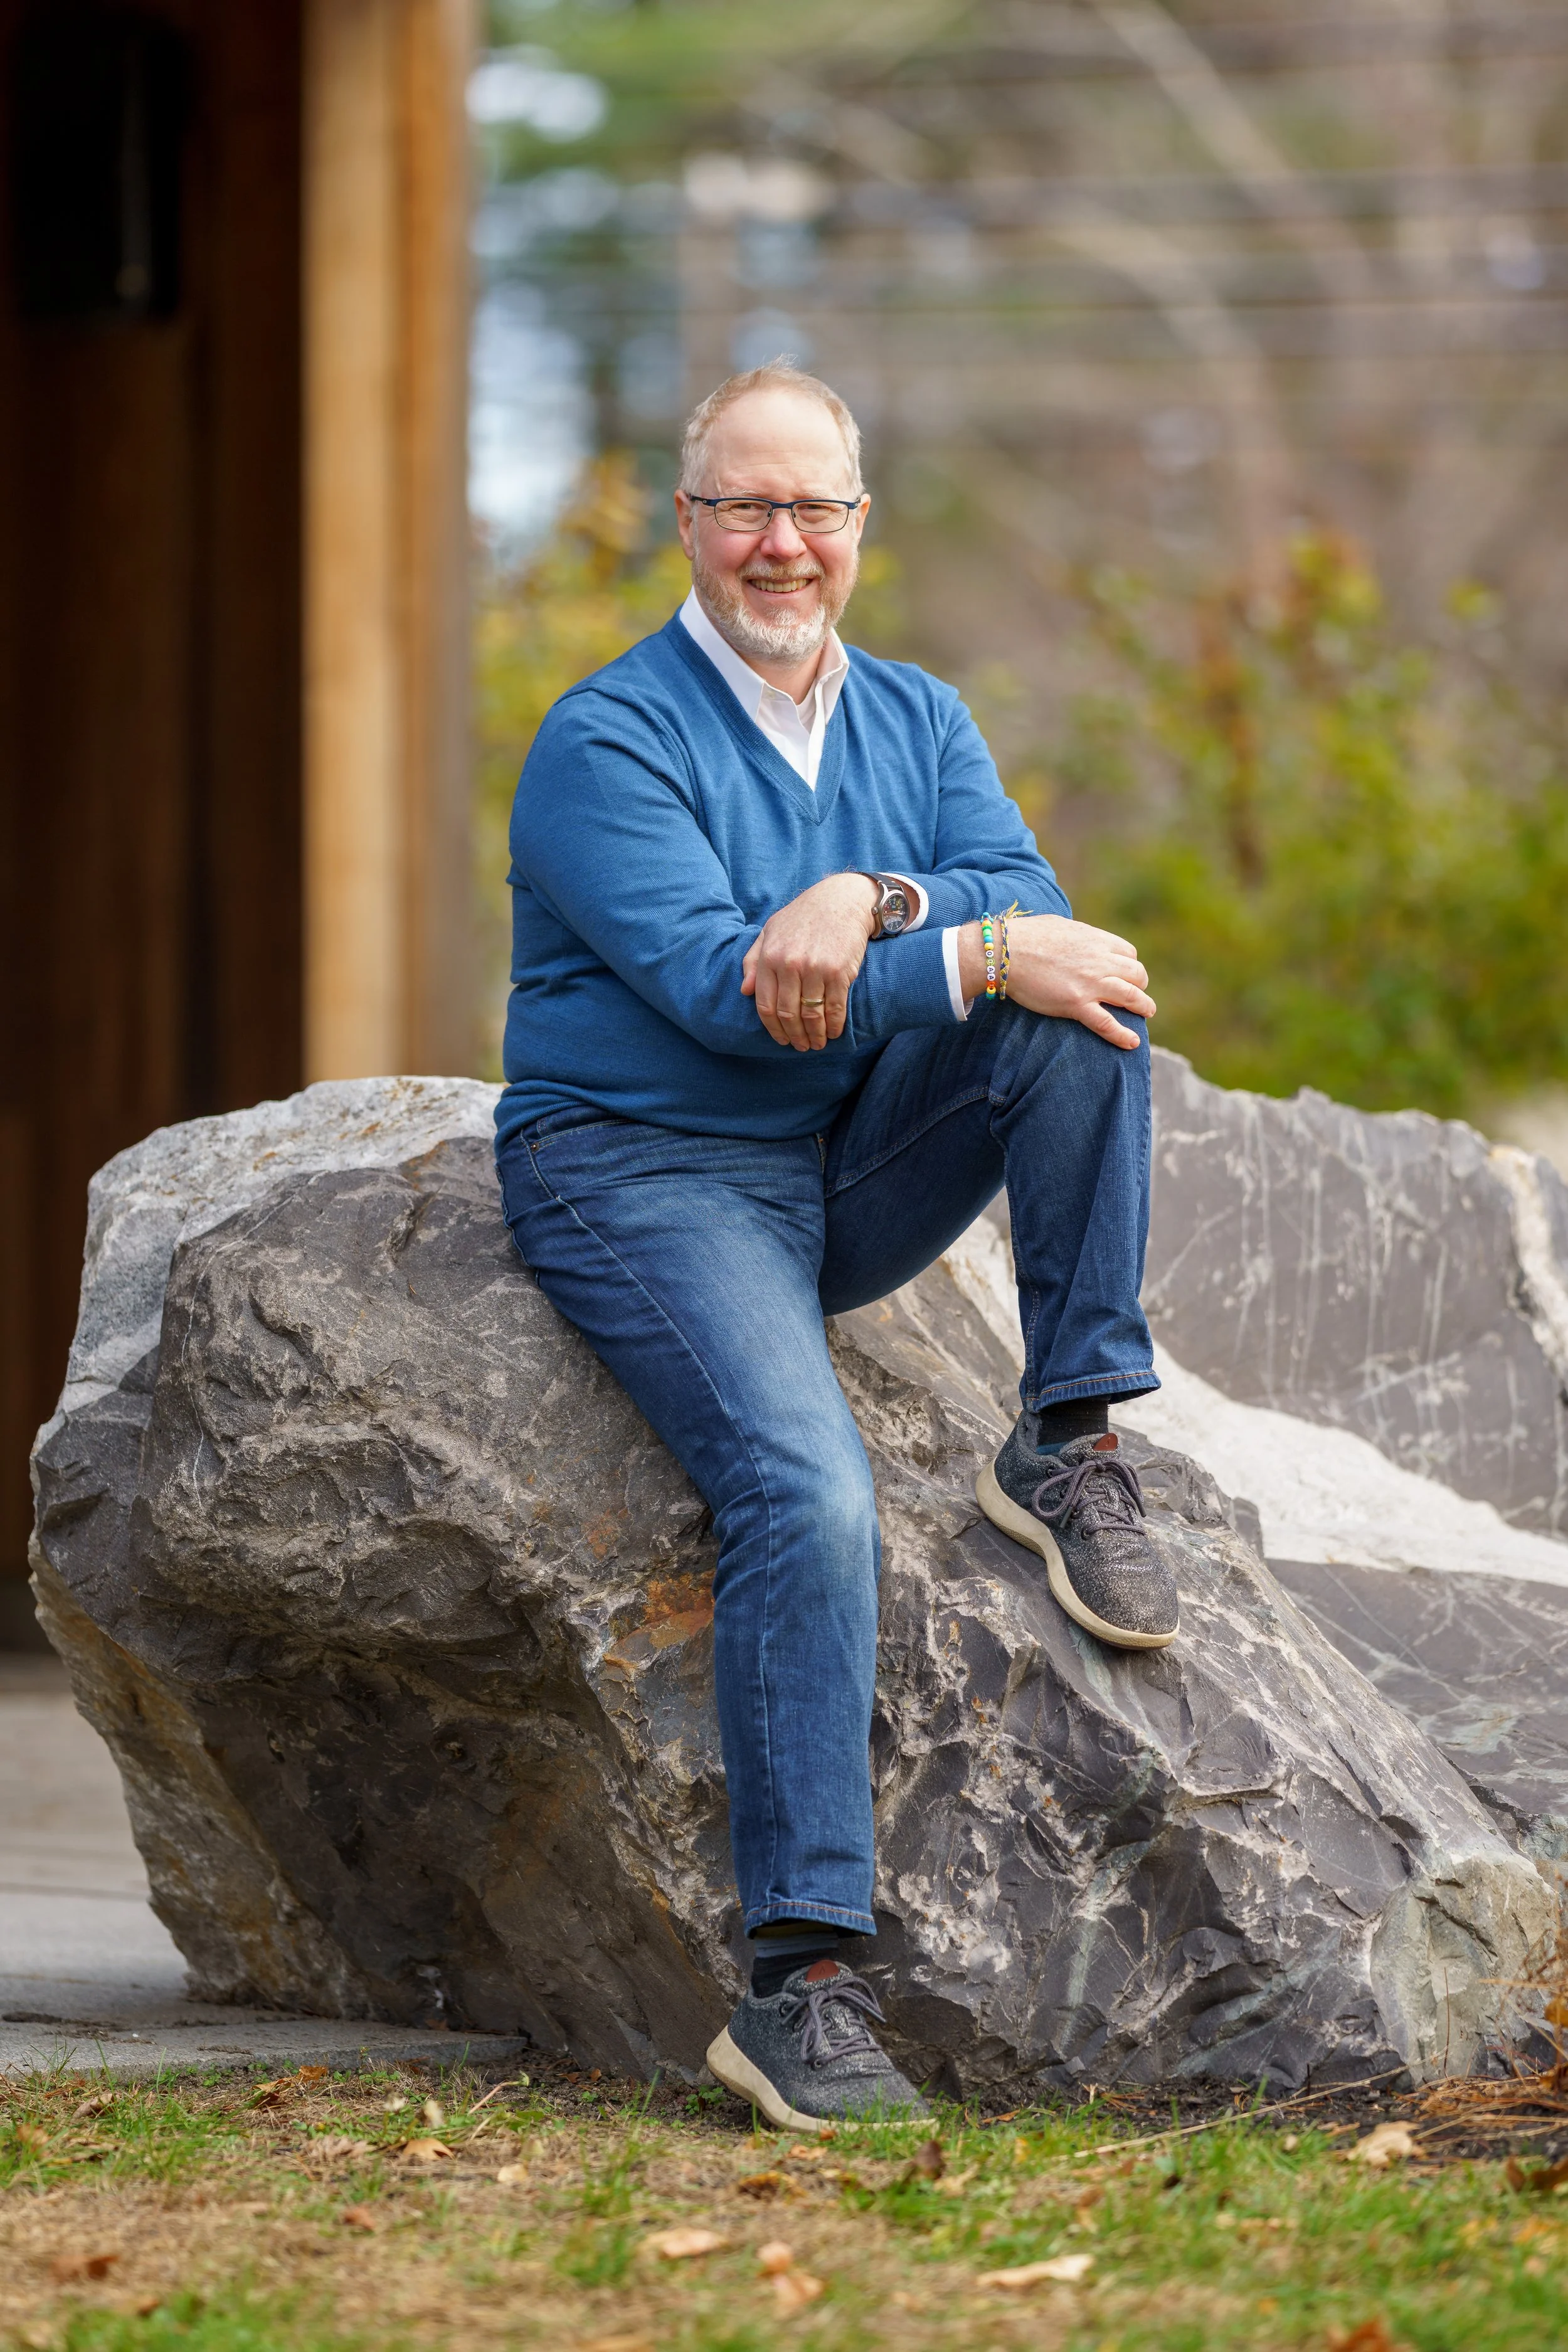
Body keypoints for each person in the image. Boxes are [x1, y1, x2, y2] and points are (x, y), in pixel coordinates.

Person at [495, 360, 1171, 2132]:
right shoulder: (607, 737)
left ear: (859, 525)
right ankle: (796, 1986)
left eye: (814, 509)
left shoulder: (920, 719)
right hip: (645, 1172)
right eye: (743, 507)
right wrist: (955, 945)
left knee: (1082, 1004)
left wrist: (876, 896)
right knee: (811, 1489)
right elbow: (730, 1004)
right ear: (688, 523)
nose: (779, 544)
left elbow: (1025, 894)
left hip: (837, 1164)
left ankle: (1072, 1428)